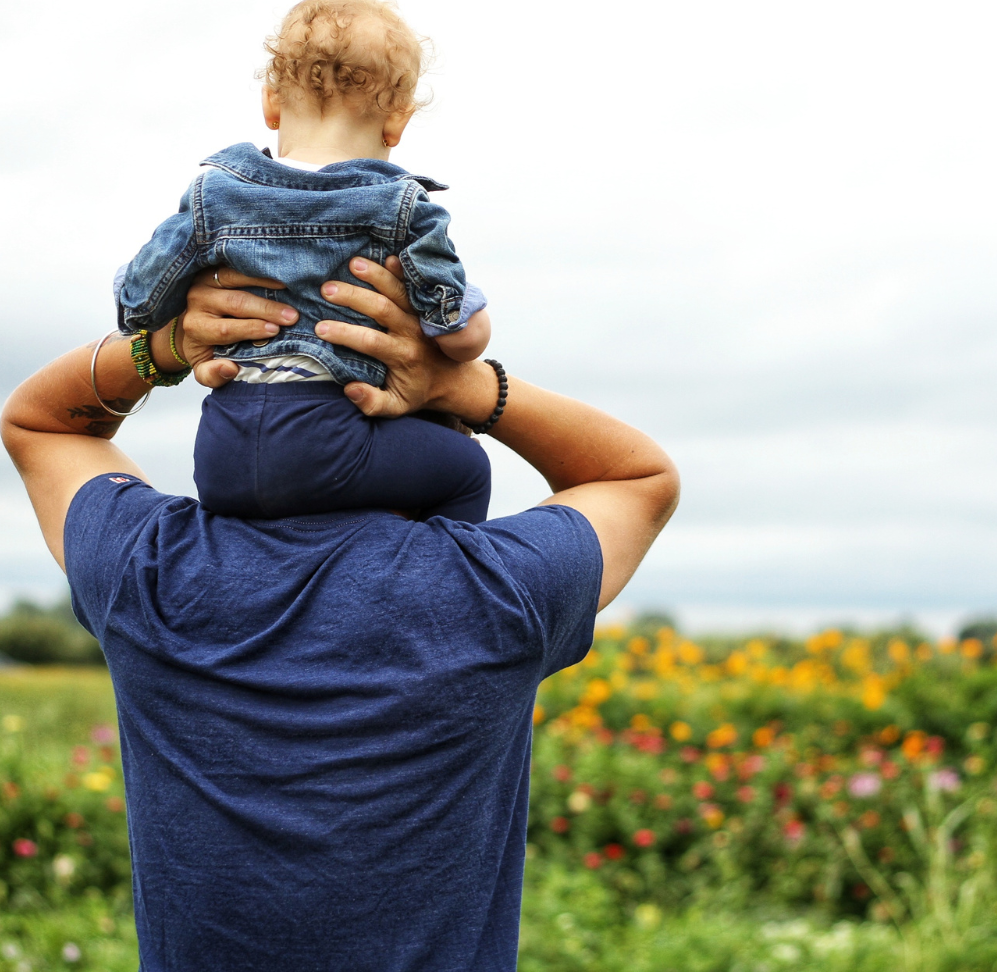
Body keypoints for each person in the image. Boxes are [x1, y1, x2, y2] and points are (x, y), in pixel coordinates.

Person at [1, 257, 680, 972]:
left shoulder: (152, 571)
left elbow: (41, 425)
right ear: (434, 437)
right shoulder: (497, 589)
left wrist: (165, 346)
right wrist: (468, 385)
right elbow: (636, 476)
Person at [115, 0, 493, 521]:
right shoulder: (402, 207)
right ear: (397, 123)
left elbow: (138, 304)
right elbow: (457, 336)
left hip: (222, 450)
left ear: (271, 103)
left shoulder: (214, 195)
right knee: (466, 467)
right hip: (333, 440)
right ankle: (441, 584)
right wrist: (469, 317)